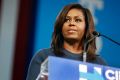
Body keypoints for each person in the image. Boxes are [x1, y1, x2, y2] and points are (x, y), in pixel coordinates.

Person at [26, 3, 107, 80]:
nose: (71, 23)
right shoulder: (43, 56)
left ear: (87, 27)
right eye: (66, 20)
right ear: (60, 26)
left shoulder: (99, 63)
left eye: (78, 20)